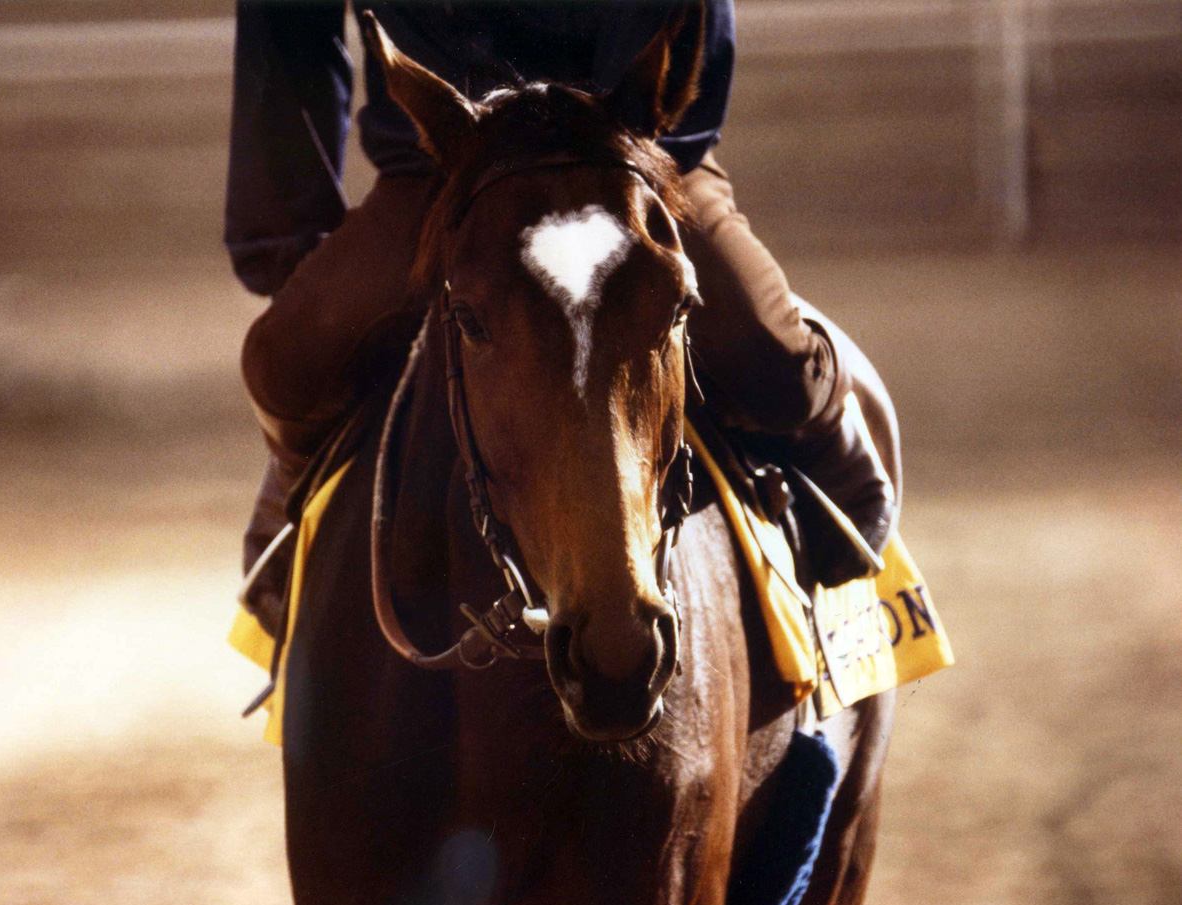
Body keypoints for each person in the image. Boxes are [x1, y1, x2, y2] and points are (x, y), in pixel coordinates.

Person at [226, 1, 897, 631]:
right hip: (442, 165)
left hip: (626, 151)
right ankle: (294, 496)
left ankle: (837, 465)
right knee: (288, 359)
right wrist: (287, 245)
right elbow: (287, 30)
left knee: (766, 354)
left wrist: (629, 129)